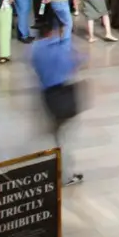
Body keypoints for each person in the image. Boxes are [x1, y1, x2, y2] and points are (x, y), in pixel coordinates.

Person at [33, 15, 83, 185]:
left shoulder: (36, 50)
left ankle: (51, 167)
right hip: (62, 95)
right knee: (65, 138)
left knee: (54, 134)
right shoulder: (60, 49)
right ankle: (66, 175)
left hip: (46, 96)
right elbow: (73, 65)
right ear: (53, 31)